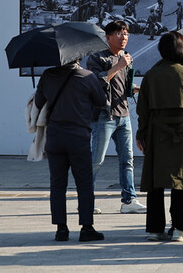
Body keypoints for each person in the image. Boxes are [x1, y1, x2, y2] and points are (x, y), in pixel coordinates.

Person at [136, 31, 183, 241]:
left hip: (158, 132)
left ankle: (155, 229)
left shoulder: (151, 75)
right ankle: (180, 229)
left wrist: (142, 134)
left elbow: (143, 110)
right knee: (181, 181)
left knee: (156, 182)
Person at [35, 58, 107, 242]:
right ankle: (86, 227)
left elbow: (38, 102)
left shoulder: (48, 75)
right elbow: (100, 100)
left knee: (57, 184)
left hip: (55, 137)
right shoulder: (87, 76)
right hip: (78, 137)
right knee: (84, 183)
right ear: (77, 56)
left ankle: (61, 229)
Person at [86, 21, 147, 215]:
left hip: (124, 115)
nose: (124, 37)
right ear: (108, 37)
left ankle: (128, 200)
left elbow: (124, 86)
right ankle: (87, 200)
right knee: (97, 160)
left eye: (126, 34)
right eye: (119, 34)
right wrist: (119, 65)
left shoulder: (125, 58)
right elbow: (96, 81)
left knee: (127, 159)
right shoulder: (97, 58)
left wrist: (137, 89)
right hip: (104, 115)